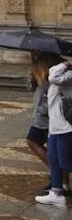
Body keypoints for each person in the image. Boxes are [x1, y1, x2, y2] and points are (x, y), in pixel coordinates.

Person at [37, 57, 72, 207]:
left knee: (66, 163)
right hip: (55, 127)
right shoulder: (54, 81)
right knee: (54, 160)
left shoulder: (67, 76)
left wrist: (63, 65)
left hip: (65, 127)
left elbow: (54, 76)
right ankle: (56, 193)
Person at [27, 53, 55, 189]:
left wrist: (41, 112)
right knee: (53, 150)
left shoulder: (51, 75)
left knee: (32, 140)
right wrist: (32, 80)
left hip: (45, 119)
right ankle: (61, 180)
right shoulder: (41, 73)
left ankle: (57, 174)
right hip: (43, 117)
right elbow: (32, 89)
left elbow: (51, 98)